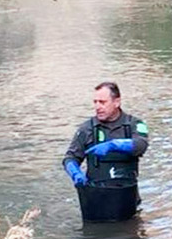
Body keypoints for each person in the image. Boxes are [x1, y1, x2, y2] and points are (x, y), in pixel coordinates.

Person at [63, 82, 149, 222]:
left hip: (127, 198)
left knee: (130, 235)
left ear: (116, 102)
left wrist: (115, 145)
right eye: (95, 102)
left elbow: (142, 144)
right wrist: (75, 173)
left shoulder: (135, 124)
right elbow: (70, 158)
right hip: (95, 199)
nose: (97, 106)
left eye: (102, 102)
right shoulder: (86, 129)